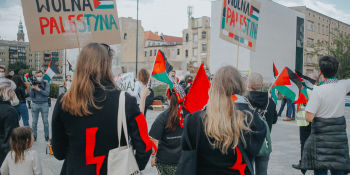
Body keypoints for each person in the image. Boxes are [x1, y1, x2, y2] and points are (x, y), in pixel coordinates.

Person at [51, 43, 155, 175]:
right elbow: (145, 145)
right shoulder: (125, 101)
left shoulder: (64, 101)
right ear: (107, 66)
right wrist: (134, 165)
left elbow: (59, 152)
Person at [179, 66, 266, 175]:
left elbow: (186, 159)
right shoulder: (256, 123)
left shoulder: (194, 121)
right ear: (242, 87)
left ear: (213, 87)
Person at [297, 56, 350, 175]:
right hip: (338, 142)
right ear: (336, 70)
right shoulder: (343, 85)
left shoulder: (318, 91)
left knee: (320, 170)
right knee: (338, 171)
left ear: (321, 72)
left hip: (321, 142)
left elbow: (308, 118)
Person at [149, 85, 186, 175]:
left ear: (168, 99)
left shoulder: (162, 117)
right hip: (184, 161)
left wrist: (153, 156)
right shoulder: (189, 114)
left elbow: (154, 140)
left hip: (165, 162)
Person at [247, 72, 278, 175]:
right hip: (264, 143)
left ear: (248, 85)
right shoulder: (271, 103)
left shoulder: (244, 101)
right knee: (262, 173)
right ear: (262, 85)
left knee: (247, 171)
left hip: (248, 144)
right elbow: (274, 120)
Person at [292, 74, 318, 175]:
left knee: (304, 143)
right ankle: (313, 163)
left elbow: (298, 101)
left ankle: (304, 165)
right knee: (314, 143)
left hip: (304, 121)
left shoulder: (305, 90)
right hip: (315, 120)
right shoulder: (318, 89)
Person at [0, 78, 19, 165]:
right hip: (3, 157)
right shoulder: (9, 111)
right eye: (13, 91)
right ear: (8, 91)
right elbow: (11, 139)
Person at [30, 70, 50, 141]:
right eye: (37, 76)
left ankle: (47, 136)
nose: (39, 77)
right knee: (34, 122)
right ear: (35, 76)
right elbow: (31, 96)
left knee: (45, 122)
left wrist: (38, 89)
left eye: (40, 76)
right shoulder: (33, 83)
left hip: (44, 104)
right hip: (35, 104)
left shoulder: (45, 83)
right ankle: (34, 136)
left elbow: (47, 94)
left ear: (42, 76)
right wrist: (32, 89)